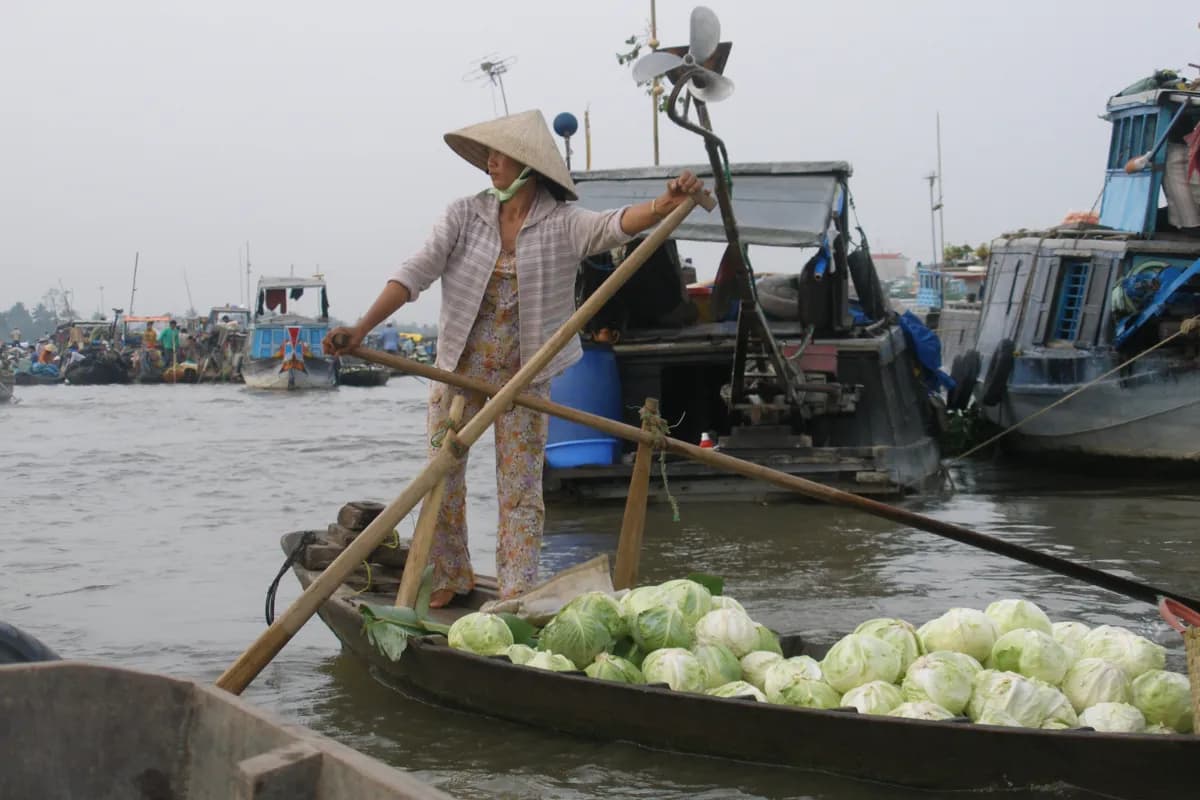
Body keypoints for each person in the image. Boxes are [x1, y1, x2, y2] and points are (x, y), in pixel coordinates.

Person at [324, 109, 705, 608]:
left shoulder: (562, 223)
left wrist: (664, 204)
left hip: (526, 376)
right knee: (443, 476)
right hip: (456, 371)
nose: (491, 164)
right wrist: (362, 327)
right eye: (489, 156)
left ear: (529, 167)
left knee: (521, 486)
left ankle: (516, 588)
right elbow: (415, 271)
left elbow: (614, 226)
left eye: (501, 156)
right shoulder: (464, 215)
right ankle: (449, 574)